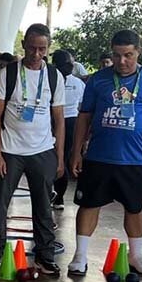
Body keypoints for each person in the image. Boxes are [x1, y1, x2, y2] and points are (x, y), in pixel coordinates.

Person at [68, 30, 142, 278]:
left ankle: (136, 256)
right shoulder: (98, 80)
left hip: (135, 159)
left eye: (128, 55)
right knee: (89, 204)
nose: (122, 61)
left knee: (135, 208)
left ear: (138, 52)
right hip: (99, 156)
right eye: (117, 55)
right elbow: (85, 116)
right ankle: (80, 255)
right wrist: (76, 150)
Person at [0, 24, 65, 275]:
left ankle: (45, 255)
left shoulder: (54, 76)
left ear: (48, 49)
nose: (36, 54)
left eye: (42, 49)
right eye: (32, 48)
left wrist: (59, 157)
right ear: (23, 45)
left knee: (43, 206)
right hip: (10, 150)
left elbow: (59, 119)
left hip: (42, 151)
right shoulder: (7, 75)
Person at [51, 49, 85, 209]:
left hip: (61, 121)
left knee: (56, 159)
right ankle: (56, 196)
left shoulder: (74, 83)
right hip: (62, 121)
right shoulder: (76, 83)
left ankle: (56, 195)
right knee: (56, 159)